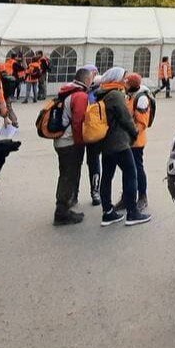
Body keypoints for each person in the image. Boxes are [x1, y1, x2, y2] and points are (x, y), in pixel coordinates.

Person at [96, 67, 148, 227]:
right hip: (119, 142)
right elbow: (125, 118)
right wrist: (134, 133)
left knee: (107, 176)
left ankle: (107, 212)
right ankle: (132, 212)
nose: (125, 81)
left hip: (106, 142)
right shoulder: (116, 95)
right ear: (116, 78)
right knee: (131, 173)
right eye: (124, 78)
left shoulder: (102, 93)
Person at [51, 66, 96, 226]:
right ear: (86, 79)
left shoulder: (67, 91)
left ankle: (64, 206)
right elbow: (78, 122)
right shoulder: (80, 96)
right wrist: (80, 142)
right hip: (70, 141)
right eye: (91, 78)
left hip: (60, 139)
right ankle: (61, 211)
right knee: (68, 175)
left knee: (64, 174)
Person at [125, 73, 155, 213]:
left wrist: (131, 135)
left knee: (137, 168)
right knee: (128, 170)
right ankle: (127, 196)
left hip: (135, 141)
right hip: (128, 140)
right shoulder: (130, 95)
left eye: (127, 82)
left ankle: (142, 196)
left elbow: (142, 122)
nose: (125, 84)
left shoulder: (141, 98)